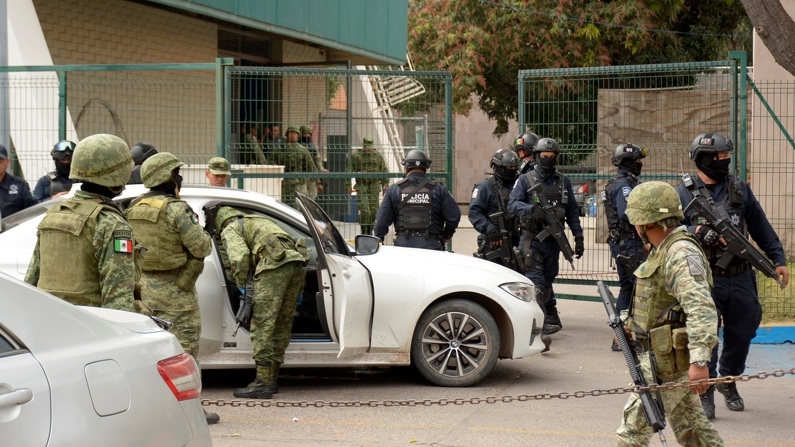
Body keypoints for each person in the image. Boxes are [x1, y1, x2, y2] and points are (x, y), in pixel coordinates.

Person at [675, 132, 790, 420]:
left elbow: (761, 226)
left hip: (739, 275)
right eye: (718, 158)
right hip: (704, 278)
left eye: (727, 157)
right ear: (702, 158)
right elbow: (666, 231)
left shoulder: (739, 188)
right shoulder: (683, 192)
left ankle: (729, 379)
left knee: (744, 329)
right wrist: (696, 231)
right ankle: (707, 390)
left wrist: (777, 259)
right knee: (706, 335)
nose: (724, 162)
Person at [615, 180, 724, 446]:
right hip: (661, 359)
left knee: (631, 435)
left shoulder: (679, 251)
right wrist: (630, 325)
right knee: (695, 433)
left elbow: (700, 307)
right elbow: (660, 304)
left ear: (646, 222)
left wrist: (699, 361)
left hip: (666, 365)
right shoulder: (662, 250)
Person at [124, 151, 218, 424]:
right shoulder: (177, 209)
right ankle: (191, 412)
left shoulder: (133, 207)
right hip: (176, 290)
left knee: (150, 352)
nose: (180, 177)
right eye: (176, 173)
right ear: (166, 177)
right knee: (185, 351)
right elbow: (201, 247)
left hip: (143, 289)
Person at [24, 134, 139, 312]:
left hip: (47, 322)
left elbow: (32, 279)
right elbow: (118, 298)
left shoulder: (54, 213)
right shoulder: (111, 223)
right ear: (116, 173)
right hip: (89, 328)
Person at [213, 206, 309, 399]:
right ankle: (272, 379)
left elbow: (239, 257)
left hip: (274, 267)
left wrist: (243, 286)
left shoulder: (231, 228)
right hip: (297, 265)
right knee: (281, 324)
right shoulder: (259, 221)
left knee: (263, 326)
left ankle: (262, 383)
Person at [507, 138, 584, 335]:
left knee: (547, 281)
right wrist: (531, 209)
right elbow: (512, 204)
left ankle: (549, 317)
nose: (548, 160)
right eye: (544, 156)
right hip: (532, 240)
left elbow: (573, 212)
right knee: (536, 285)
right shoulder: (525, 179)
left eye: (552, 157)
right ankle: (537, 328)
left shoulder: (563, 182)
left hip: (553, 243)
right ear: (537, 156)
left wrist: (579, 237)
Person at [603, 143, 649, 351]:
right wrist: (646, 240)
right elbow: (629, 214)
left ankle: (621, 336)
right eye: (637, 160)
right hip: (629, 243)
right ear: (628, 162)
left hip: (623, 243)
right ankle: (624, 336)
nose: (640, 164)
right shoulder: (624, 186)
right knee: (634, 288)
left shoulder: (618, 183)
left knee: (629, 288)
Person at [374, 149, 460, 250]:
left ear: (406, 168)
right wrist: (446, 235)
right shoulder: (438, 189)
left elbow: (381, 221)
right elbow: (454, 216)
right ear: (425, 169)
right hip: (431, 246)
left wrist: (378, 240)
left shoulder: (394, 189)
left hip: (403, 247)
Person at [468, 148, 521, 268]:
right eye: (509, 168)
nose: (512, 171)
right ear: (497, 167)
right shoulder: (485, 187)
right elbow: (474, 212)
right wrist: (489, 229)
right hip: (494, 241)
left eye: (514, 168)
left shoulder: (519, 185)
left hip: (517, 240)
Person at [346, 136, 389, 235]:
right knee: (365, 211)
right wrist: (348, 185)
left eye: (370, 147)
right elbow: (348, 170)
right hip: (362, 185)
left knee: (374, 211)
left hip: (374, 186)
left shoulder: (377, 156)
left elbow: (384, 170)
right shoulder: (356, 156)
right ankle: (364, 230)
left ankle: (370, 231)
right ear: (363, 145)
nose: (368, 149)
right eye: (367, 147)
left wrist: (385, 183)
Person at [271, 126, 319, 208]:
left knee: (297, 209)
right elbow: (269, 161)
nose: (293, 135)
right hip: (283, 184)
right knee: (282, 207)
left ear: (298, 136)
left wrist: (314, 182)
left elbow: (311, 167)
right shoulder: (279, 149)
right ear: (287, 135)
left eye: (295, 133)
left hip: (298, 185)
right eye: (291, 133)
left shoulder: (303, 150)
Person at [0, 144, 37, 218]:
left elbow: (33, 210)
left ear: (7, 162)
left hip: (13, 229)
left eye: (0, 161)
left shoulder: (19, 185)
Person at [300, 125, 327, 200]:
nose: (306, 135)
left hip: (312, 174)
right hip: (301, 174)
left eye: (308, 134)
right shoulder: (297, 146)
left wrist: (321, 168)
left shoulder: (313, 146)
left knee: (312, 196)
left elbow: (317, 159)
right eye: (304, 133)